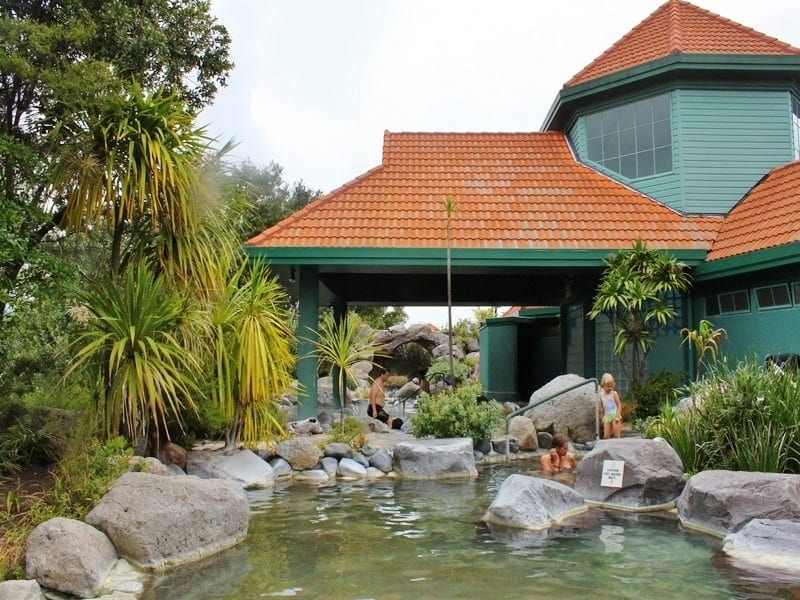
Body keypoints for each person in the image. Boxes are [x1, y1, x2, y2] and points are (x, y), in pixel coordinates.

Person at [599, 372, 623, 439]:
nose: (609, 388)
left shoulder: (614, 394)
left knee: (616, 435)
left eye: (611, 386)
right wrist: (602, 417)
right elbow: (602, 407)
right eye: (608, 386)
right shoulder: (601, 395)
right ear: (603, 385)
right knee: (606, 436)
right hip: (607, 416)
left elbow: (619, 405)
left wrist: (617, 415)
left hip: (614, 415)